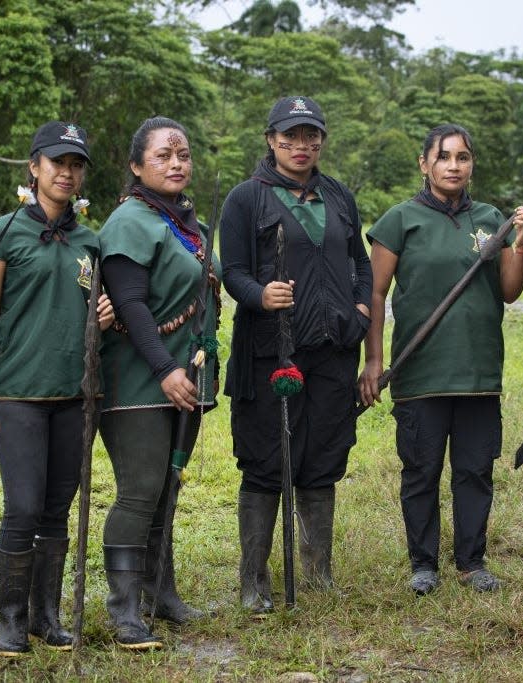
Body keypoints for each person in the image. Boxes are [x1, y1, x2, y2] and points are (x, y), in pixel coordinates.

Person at [358, 123, 523, 595]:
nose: (453, 166)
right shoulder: (399, 220)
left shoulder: (490, 217)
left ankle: (471, 562)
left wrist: (520, 243)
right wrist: (373, 361)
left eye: (462, 157)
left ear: (472, 163)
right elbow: (375, 294)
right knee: (422, 470)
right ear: (425, 164)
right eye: (443, 157)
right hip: (421, 373)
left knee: (475, 470)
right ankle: (423, 564)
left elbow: (510, 290)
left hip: (478, 374)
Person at [221, 96, 372, 613]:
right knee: (266, 460)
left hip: (332, 351)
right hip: (271, 353)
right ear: (271, 139)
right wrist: (260, 295)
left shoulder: (338, 195)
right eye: (290, 136)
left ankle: (319, 572)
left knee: (322, 457)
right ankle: (253, 580)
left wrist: (360, 310)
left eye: (311, 136)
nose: (301, 145)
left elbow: (361, 262)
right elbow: (231, 269)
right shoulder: (246, 199)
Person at [0, 121, 112, 656]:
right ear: (34, 167)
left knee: (58, 506)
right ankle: (9, 619)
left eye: (76, 165)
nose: (67, 173)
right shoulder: (3, 232)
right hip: (17, 391)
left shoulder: (90, 241)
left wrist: (107, 311)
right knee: (23, 505)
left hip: (75, 394)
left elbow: (98, 313)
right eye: (57, 163)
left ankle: (45, 616)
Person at [97, 116, 220, 650]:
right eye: (163, 156)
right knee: (140, 492)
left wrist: (185, 372)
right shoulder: (129, 222)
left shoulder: (187, 223)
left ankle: (159, 593)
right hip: (141, 384)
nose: (176, 164)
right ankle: (124, 610)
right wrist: (165, 371)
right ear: (136, 165)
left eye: (183, 155)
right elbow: (129, 304)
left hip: (184, 380)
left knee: (168, 487)